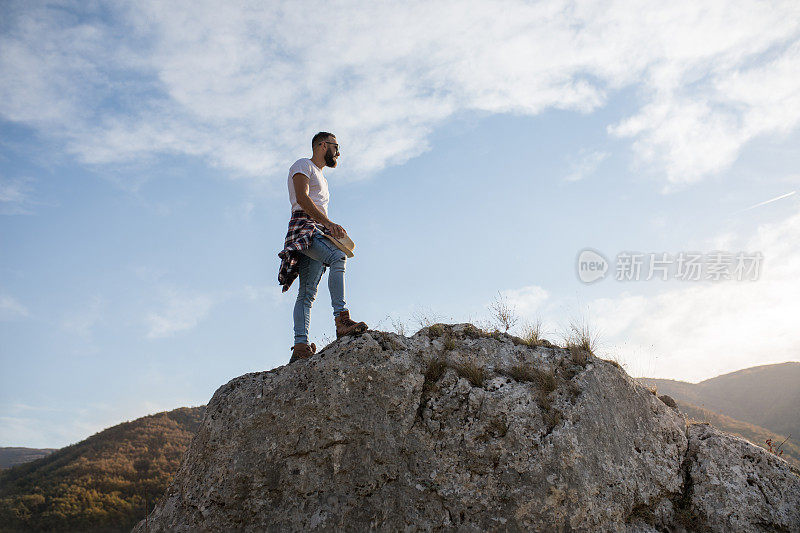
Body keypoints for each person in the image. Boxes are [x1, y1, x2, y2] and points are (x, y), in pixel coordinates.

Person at [277, 132, 367, 364]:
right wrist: (327, 224)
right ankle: (342, 320)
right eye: (336, 146)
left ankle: (300, 346)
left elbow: (315, 204)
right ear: (323, 145)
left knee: (306, 293)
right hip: (305, 228)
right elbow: (302, 198)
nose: (338, 152)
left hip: (317, 229)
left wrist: (329, 228)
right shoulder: (303, 165)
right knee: (338, 257)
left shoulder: (323, 179)